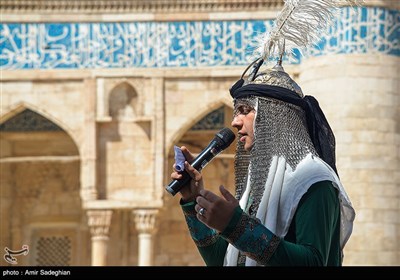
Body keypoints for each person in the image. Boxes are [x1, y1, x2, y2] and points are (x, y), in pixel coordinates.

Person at [170, 61, 356, 266]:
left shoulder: (313, 181)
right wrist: (192, 199)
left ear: (275, 115)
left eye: (244, 110)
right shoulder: (258, 182)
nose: (235, 122)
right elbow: (221, 261)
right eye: (236, 111)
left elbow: (313, 262)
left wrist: (235, 227)